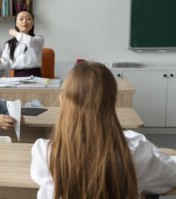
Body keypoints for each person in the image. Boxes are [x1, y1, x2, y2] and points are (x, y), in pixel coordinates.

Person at [31, 62, 176, 199]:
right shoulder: (136, 150)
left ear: (62, 100)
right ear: (113, 101)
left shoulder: (44, 152)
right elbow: (171, 177)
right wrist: (152, 150)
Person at [0, 10, 44, 77]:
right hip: (16, 78)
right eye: (21, 19)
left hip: (35, 78)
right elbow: (4, 63)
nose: (25, 21)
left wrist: (15, 34)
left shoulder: (38, 39)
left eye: (28, 19)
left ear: (33, 23)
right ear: (16, 23)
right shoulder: (9, 44)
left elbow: (29, 41)